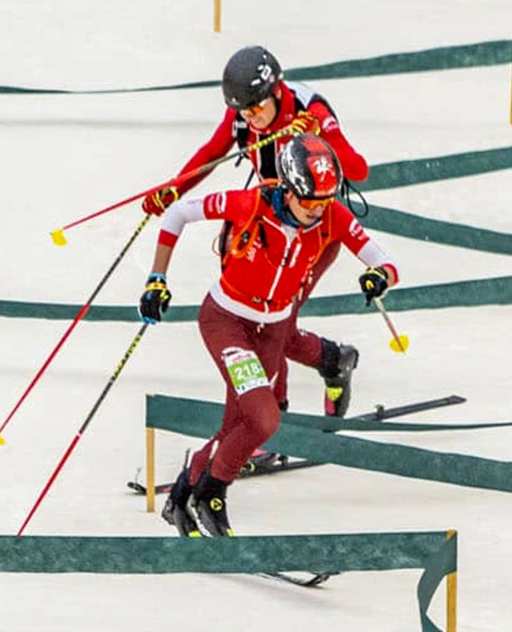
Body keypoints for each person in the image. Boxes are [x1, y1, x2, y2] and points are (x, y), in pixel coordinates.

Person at [141, 134, 399, 536]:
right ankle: (212, 493)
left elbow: (382, 259)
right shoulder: (252, 203)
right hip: (227, 321)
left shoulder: (330, 214)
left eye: (324, 201)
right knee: (263, 418)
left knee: (235, 426)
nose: (317, 211)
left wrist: (378, 276)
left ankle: (180, 498)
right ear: (289, 188)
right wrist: (157, 279)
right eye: (309, 201)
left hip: (273, 330)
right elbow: (177, 214)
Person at [141, 46, 374, 419]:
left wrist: (317, 135)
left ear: (277, 90)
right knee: (256, 322)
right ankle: (332, 360)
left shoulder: (309, 108)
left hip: (313, 232)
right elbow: (211, 153)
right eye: (243, 111)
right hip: (262, 224)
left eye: (256, 108)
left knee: (273, 324)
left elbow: (358, 169)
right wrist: (173, 190)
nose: (251, 118)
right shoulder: (241, 116)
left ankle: (271, 418)